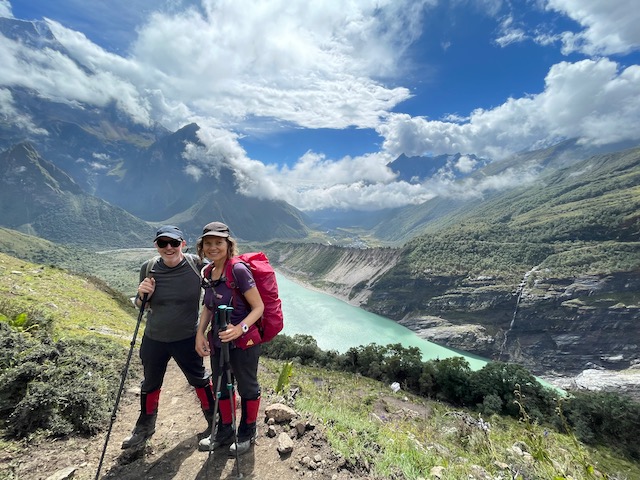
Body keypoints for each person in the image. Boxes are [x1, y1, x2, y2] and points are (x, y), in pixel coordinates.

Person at [122, 225, 215, 449]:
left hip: (186, 338)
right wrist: (142, 295)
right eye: (163, 243)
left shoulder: (197, 265)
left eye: (174, 243)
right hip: (154, 338)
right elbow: (140, 305)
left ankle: (215, 421)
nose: (169, 248)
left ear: (183, 243)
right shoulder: (149, 267)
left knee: (199, 380)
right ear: (157, 246)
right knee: (150, 383)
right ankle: (144, 427)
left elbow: (221, 276)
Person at [195, 221, 264, 456]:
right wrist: (199, 333)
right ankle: (225, 430)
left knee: (247, 386)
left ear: (228, 245)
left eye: (218, 243)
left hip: (244, 342)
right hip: (217, 341)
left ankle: (247, 431)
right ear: (202, 247)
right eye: (208, 243)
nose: (213, 247)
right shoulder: (208, 271)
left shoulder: (238, 270)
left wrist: (240, 328)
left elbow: (258, 307)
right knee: (221, 386)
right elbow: (208, 307)